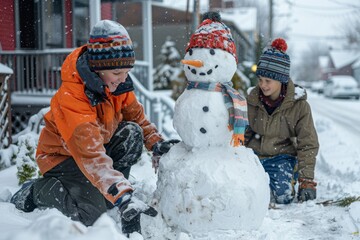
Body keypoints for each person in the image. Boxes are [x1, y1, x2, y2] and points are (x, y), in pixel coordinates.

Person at [10, 20, 179, 235]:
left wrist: (156, 143)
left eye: (127, 72)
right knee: (91, 216)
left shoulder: (117, 84)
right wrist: (123, 196)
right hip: (63, 158)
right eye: (118, 73)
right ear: (99, 68)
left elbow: (137, 119)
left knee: (131, 133)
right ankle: (35, 192)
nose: (123, 79)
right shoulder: (72, 97)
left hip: (97, 147)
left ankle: (111, 193)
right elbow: (90, 154)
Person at [245, 38, 319, 205]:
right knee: (242, 192)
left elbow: (308, 142)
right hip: (253, 156)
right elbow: (243, 132)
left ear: (281, 80)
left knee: (282, 197)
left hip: (281, 157)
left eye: (268, 81)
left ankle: (288, 176)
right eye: (260, 80)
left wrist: (306, 180)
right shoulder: (252, 101)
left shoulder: (299, 106)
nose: (262, 85)